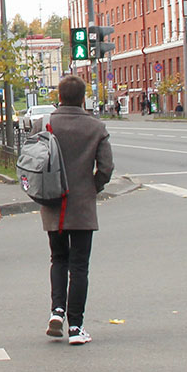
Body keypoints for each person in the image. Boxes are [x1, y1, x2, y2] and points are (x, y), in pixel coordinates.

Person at [41, 75, 113, 346]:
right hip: (82, 205)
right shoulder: (95, 127)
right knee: (79, 266)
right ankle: (76, 326)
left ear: (59, 96)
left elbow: (33, 159)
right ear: (83, 98)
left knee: (58, 258)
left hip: (53, 203)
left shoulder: (45, 123)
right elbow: (106, 167)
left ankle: (56, 311)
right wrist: (92, 187)